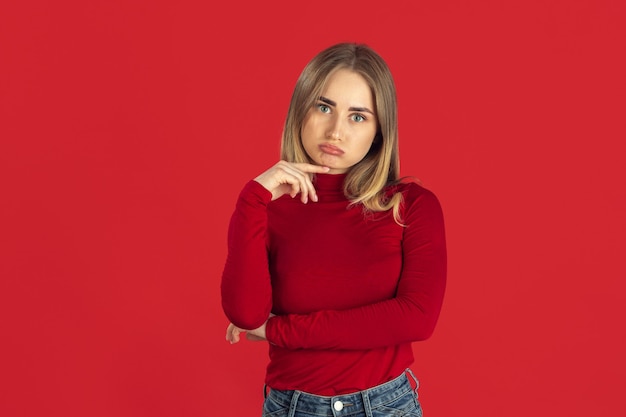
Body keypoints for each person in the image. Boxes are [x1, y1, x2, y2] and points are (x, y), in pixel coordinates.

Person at [221, 42, 446, 417]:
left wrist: (278, 330)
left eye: (358, 116)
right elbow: (245, 316)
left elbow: (416, 317)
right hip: (291, 407)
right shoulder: (268, 207)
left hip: (385, 406)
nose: (335, 131)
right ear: (301, 111)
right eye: (323, 107)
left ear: (379, 131)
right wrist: (253, 198)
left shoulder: (410, 206)